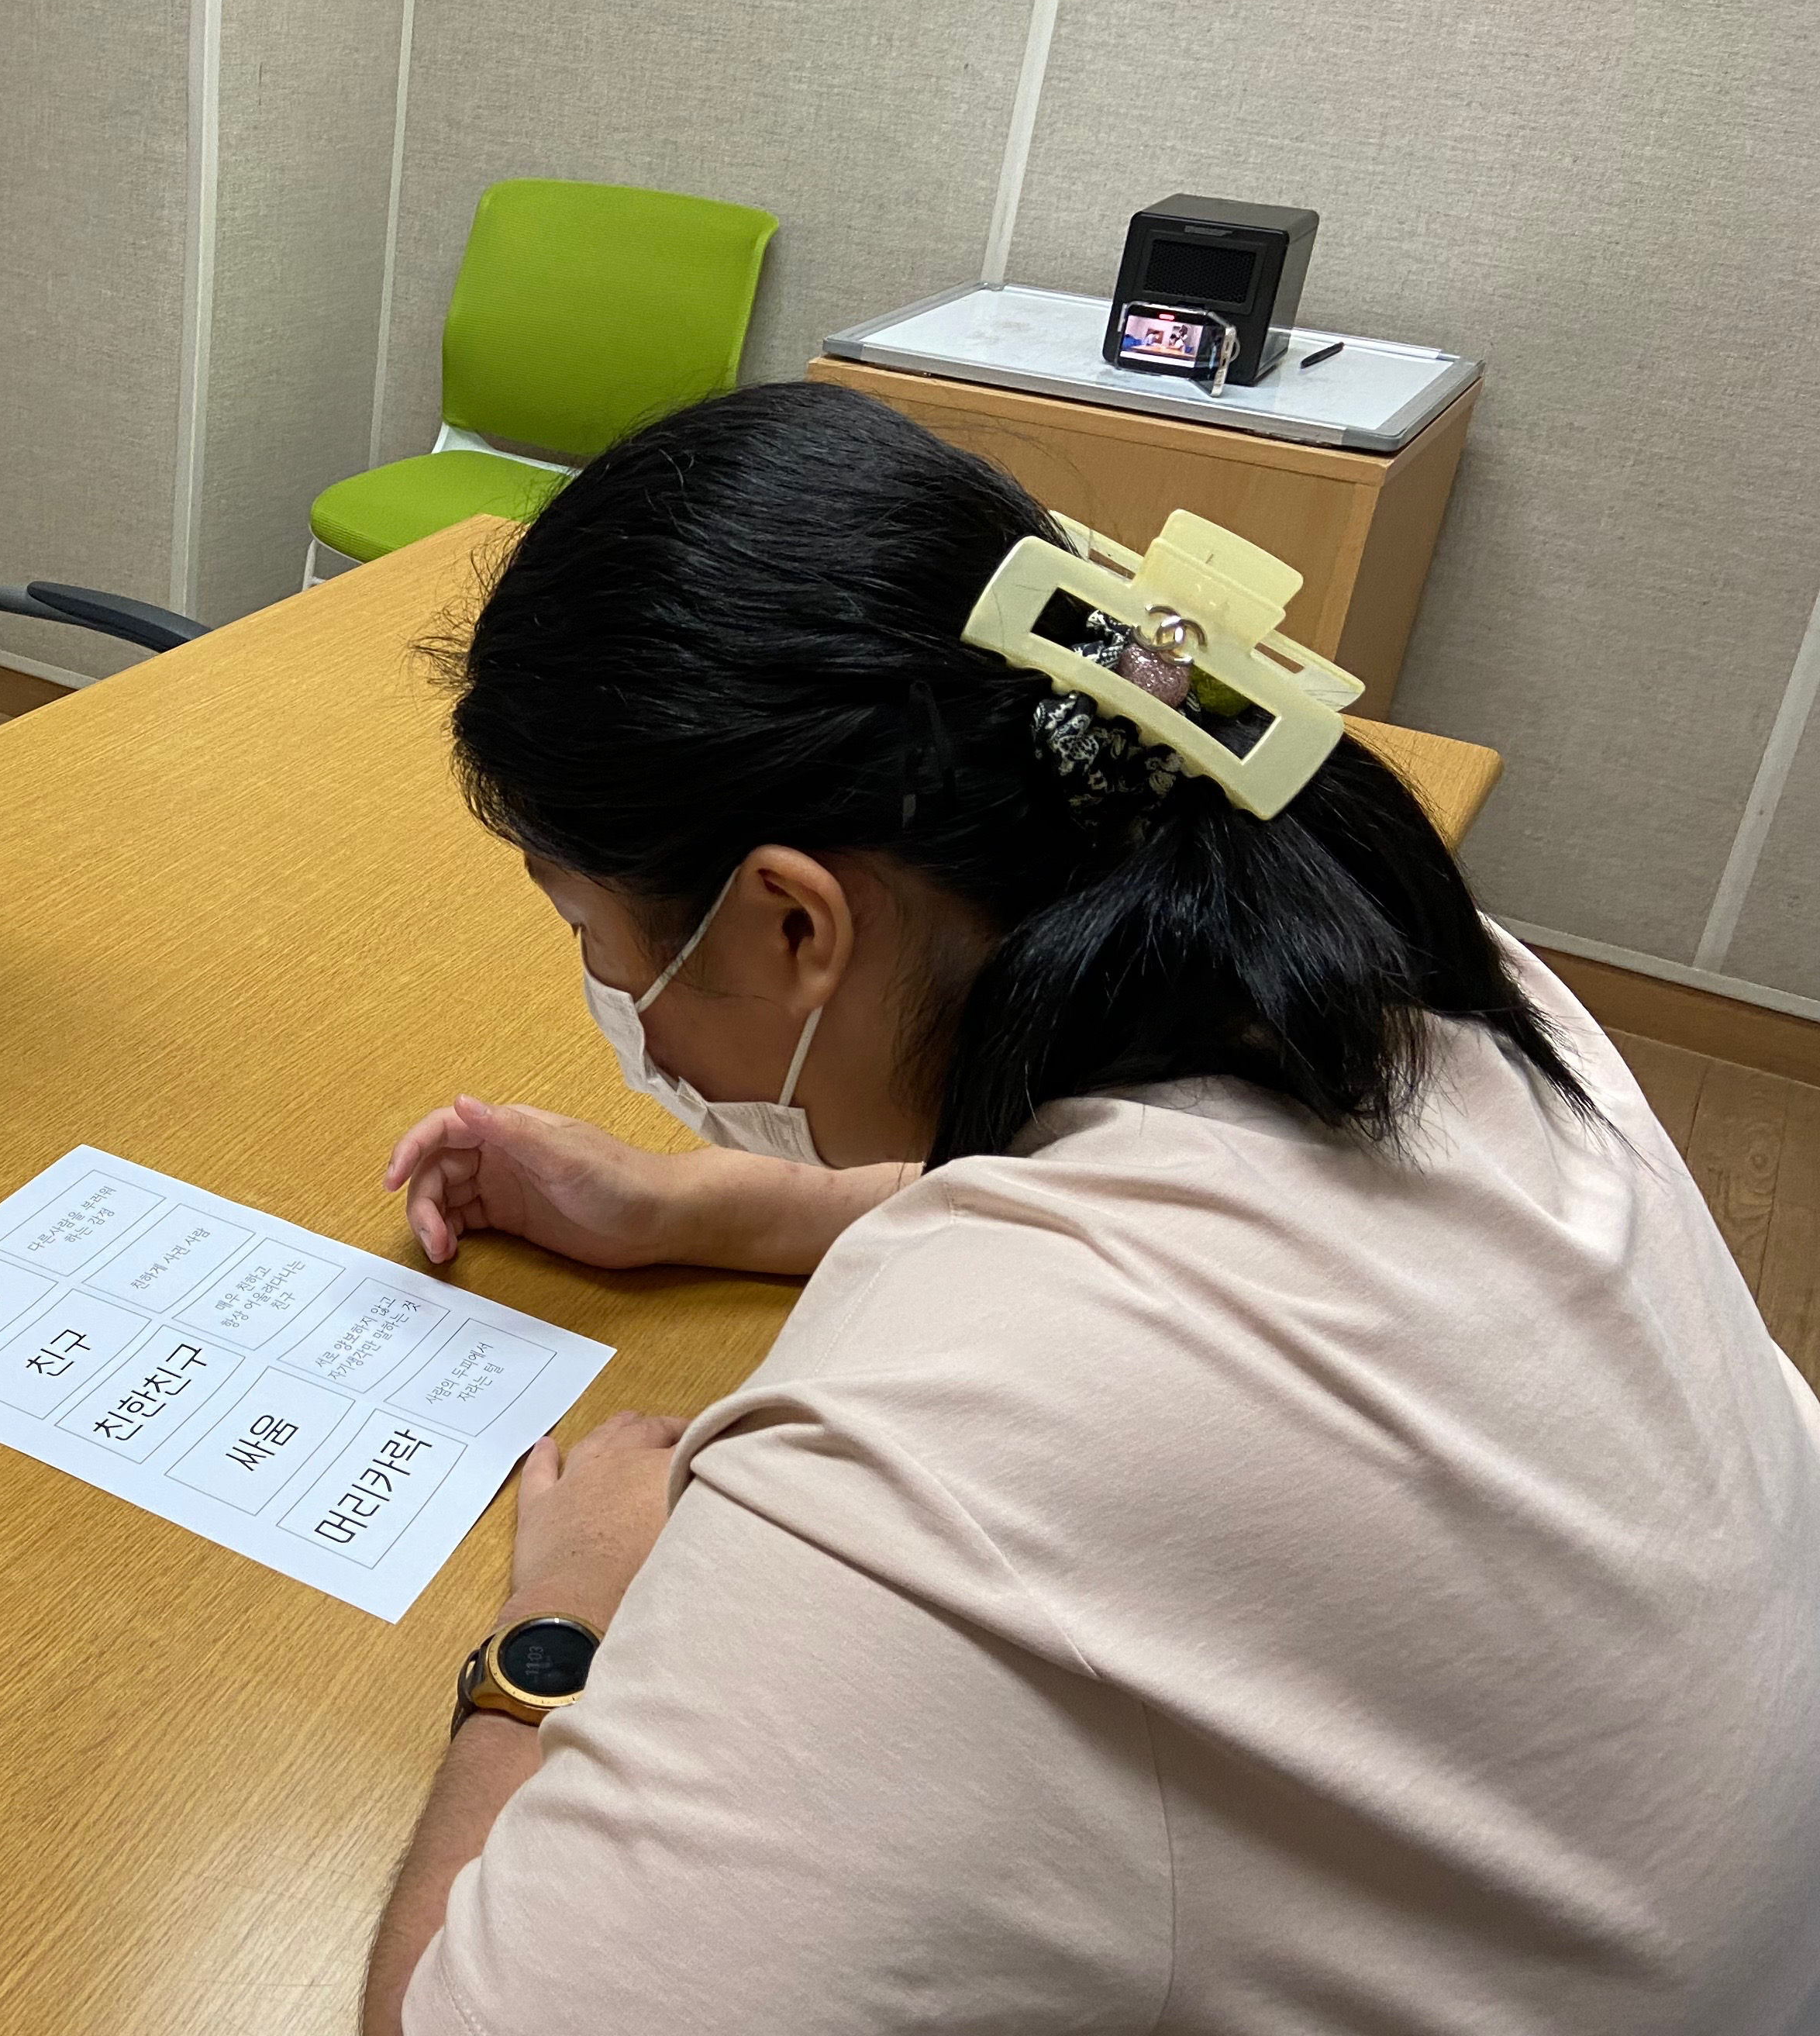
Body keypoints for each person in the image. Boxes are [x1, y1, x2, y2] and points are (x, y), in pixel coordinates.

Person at [361, 383, 1820, 2034]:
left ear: (792, 924)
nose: (609, 999)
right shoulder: (1403, 979)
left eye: (590, 932)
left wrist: (567, 1622)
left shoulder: (955, 1433)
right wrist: (691, 1205)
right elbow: (1134, 1212)